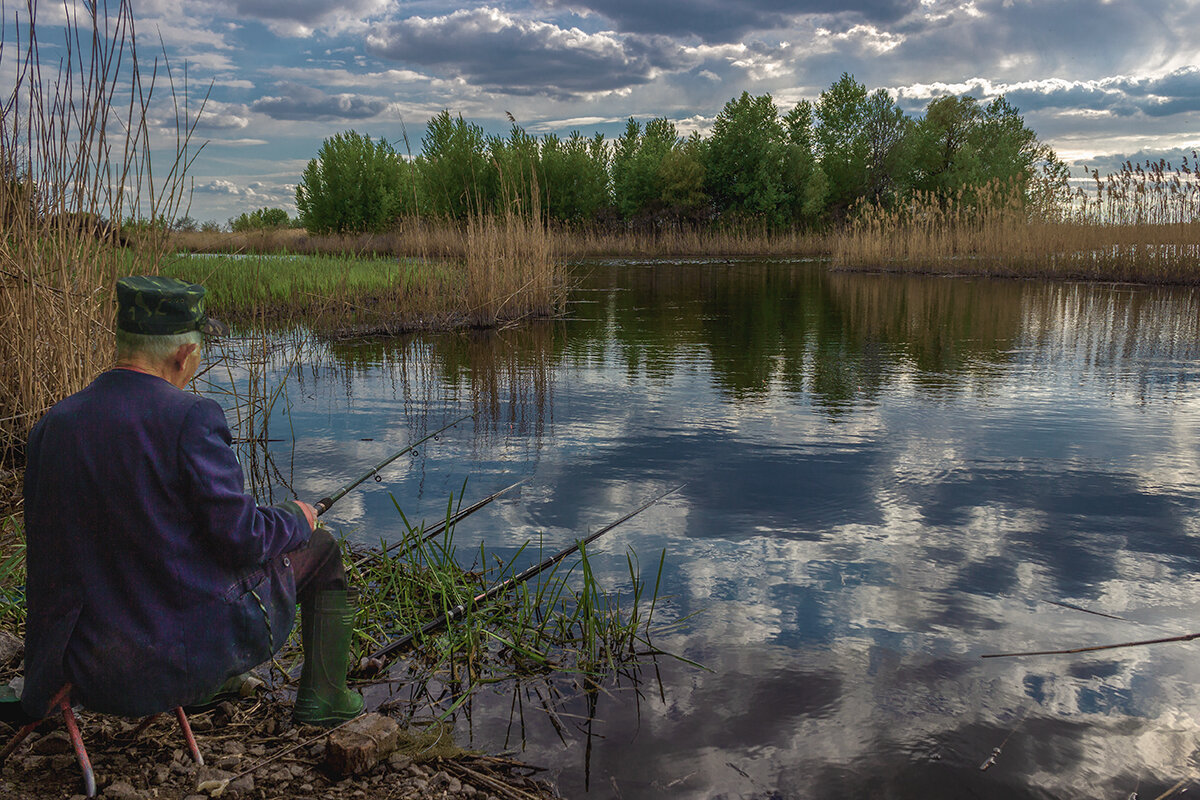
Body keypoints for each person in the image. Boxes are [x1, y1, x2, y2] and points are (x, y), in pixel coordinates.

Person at [20, 275, 364, 727]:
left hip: (73, 668)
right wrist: (297, 519)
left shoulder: (52, 424)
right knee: (320, 551)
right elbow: (242, 540)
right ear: (184, 355)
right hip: (161, 666)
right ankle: (324, 700)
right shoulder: (190, 417)